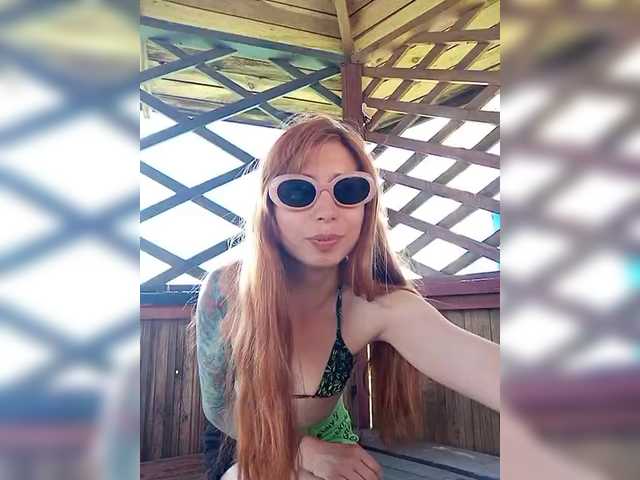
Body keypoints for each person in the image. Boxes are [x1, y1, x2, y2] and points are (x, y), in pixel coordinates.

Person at [193, 114, 606, 480]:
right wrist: (304, 451)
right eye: (299, 192)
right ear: (270, 207)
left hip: (334, 444)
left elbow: (496, 374)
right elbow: (221, 411)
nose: (326, 211)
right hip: (244, 441)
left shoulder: (375, 304)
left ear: (368, 205)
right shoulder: (226, 290)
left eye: (348, 190)